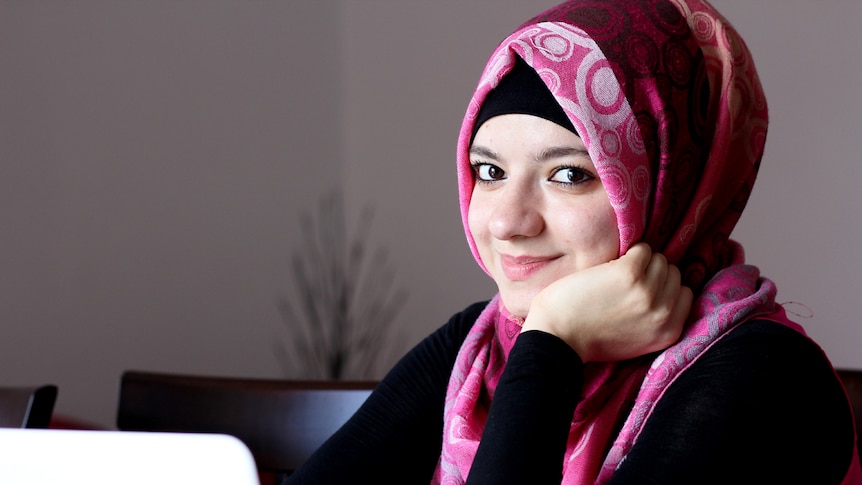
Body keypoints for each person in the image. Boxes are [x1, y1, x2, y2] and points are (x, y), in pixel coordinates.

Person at [286, 0, 861, 483]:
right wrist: (545, 342)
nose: (509, 221)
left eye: (568, 175)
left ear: (669, 186)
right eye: (489, 171)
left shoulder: (765, 376)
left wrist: (555, 342)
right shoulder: (481, 348)